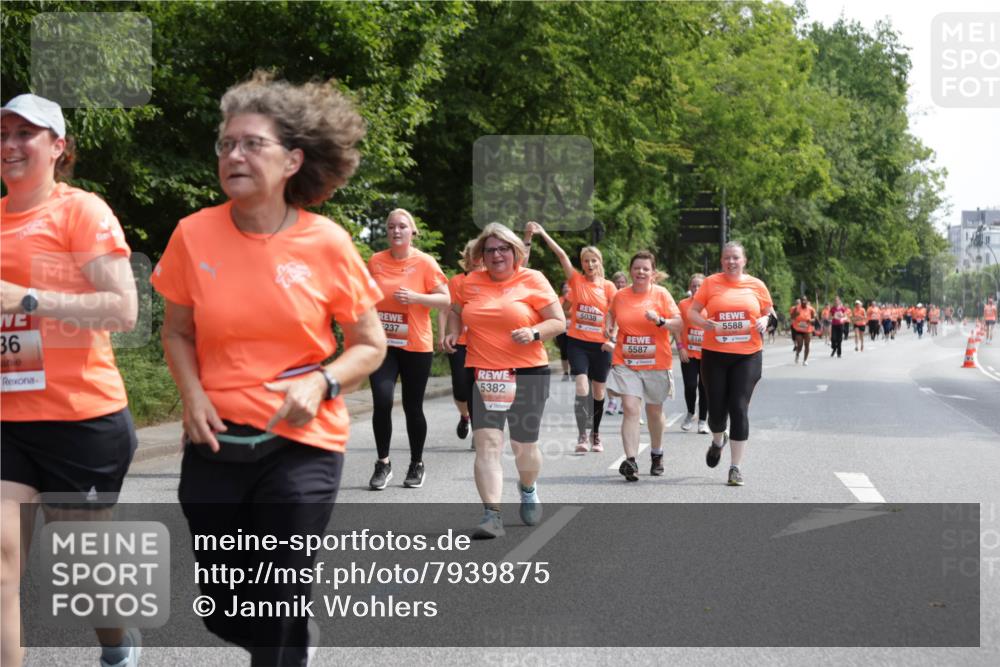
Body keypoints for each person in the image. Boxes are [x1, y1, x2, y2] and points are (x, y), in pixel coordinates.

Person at [153, 71, 385, 665]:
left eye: (252, 143)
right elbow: (177, 332)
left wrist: (324, 379)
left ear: (292, 161)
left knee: (279, 591)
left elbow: (369, 343)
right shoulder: (192, 235)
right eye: (226, 144)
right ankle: (289, 636)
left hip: (302, 441)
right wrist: (192, 395)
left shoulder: (327, 243)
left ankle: (286, 642)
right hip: (216, 439)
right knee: (227, 605)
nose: (234, 154)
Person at [1, 94, 140, 667]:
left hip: (81, 419)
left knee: (85, 573)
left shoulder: (80, 211)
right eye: (2, 133)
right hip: (7, 421)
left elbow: (122, 310)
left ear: (58, 147)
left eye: (25, 134)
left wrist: (26, 300)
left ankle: (117, 643)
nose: (10, 145)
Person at [444, 223, 564, 538]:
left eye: (503, 249)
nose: (496, 255)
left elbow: (559, 321)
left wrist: (534, 332)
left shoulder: (533, 279)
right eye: (489, 249)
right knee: (487, 443)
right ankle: (491, 515)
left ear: (515, 251)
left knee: (523, 446)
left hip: (528, 371)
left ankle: (527, 487)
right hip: (485, 372)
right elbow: (456, 311)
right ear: (480, 255)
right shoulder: (470, 282)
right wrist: (453, 331)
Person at [367, 209, 448, 489]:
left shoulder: (425, 262)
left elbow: (445, 300)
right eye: (391, 226)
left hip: (416, 344)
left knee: (413, 406)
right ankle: (383, 463)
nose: (396, 231)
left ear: (412, 231)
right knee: (382, 399)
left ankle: (417, 463)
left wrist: (416, 297)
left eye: (402, 226)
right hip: (383, 345)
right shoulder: (376, 261)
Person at [687, 241, 774, 486]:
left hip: (748, 354)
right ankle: (717, 441)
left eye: (735, 258)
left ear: (744, 260)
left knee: (738, 407)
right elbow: (692, 312)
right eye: (727, 258)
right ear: (721, 261)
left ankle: (735, 468)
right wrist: (702, 323)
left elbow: (771, 313)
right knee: (716, 413)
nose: (731, 262)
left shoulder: (756, 285)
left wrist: (765, 320)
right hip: (714, 354)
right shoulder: (710, 283)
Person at [526, 221, 616, 453]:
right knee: (581, 386)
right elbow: (562, 255)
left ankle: (596, 434)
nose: (589, 264)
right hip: (578, 342)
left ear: (600, 262)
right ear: (582, 264)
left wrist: (612, 333)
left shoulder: (608, 287)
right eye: (586, 260)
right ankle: (582, 436)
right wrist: (543, 233)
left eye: (593, 260)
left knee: (598, 392)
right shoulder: (576, 281)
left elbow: (615, 314)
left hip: (601, 346)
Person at [605, 251, 681, 480]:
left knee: (654, 411)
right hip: (626, 361)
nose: (641, 272)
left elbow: (679, 323)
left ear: (653, 273)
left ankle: (657, 453)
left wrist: (660, 321)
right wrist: (609, 326)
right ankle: (631, 461)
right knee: (630, 407)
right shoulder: (620, 296)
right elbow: (611, 313)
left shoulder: (662, 295)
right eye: (637, 268)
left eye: (645, 268)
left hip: (656, 362)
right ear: (631, 270)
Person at [438, 240, 481, 446]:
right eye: (473, 255)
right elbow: (448, 310)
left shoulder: (492, 280)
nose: (476, 260)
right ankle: (465, 417)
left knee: (479, 388)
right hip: (460, 342)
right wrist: (443, 334)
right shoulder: (456, 281)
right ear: (467, 258)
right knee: (461, 389)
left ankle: (478, 430)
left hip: (483, 344)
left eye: (480, 255)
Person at [677, 273, 709, 433]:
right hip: (687, 353)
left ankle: (703, 421)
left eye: (700, 286)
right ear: (690, 287)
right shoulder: (683, 304)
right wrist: (680, 346)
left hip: (707, 354)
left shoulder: (711, 305)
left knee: (705, 388)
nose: (697, 288)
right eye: (694, 285)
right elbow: (677, 327)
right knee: (690, 385)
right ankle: (691, 412)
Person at [790, 296, 815, 365]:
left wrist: (810, 320)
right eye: (802, 300)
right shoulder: (796, 308)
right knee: (800, 345)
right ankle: (797, 353)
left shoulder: (811, 309)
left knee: (807, 345)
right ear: (800, 301)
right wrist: (795, 314)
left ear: (807, 301)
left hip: (807, 329)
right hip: (798, 329)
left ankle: (805, 360)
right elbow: (792, 317)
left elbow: (814, 319)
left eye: (805, 300)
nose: (804, 302)